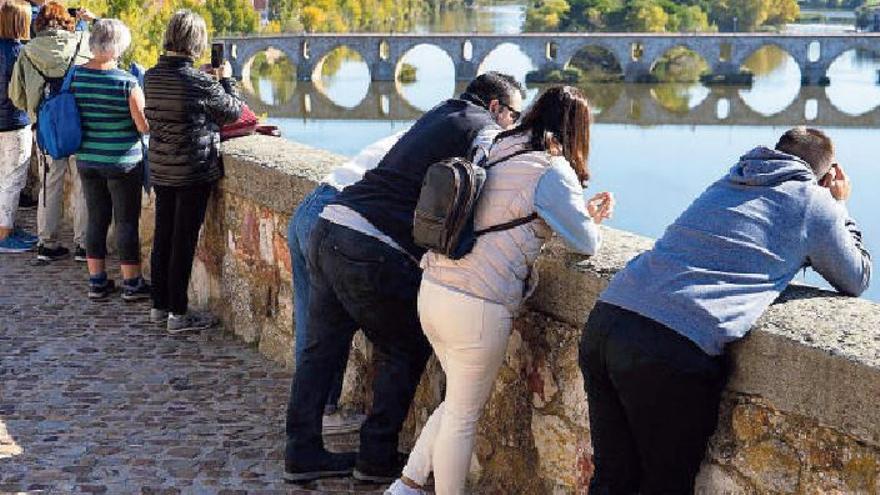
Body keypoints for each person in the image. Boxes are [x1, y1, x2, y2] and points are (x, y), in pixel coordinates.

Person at [579, 127, 872, 494]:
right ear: (827, 174)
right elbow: (856, 277)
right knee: (664, 485)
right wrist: (839, 205)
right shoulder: (816, 202)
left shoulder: (731, 179)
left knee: (611, 479)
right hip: (671, 345)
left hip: (608, 318)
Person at [284, 72, 525, 484]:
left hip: (330, 226)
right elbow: (488, 182)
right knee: (407, 345)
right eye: (514, 116)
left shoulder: (441, 113)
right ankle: (376, 456)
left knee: (320, 349)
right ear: (497, 107)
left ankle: (301, 452)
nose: (513, 127)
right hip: (370, 242)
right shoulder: (484, 128)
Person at [385, 86, 615, 495]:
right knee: (463, 415)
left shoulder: (497, 145)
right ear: (576, 130)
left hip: (436, 286)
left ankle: (406, 485)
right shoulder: (551, 168)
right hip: (477, 304)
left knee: (456, 401)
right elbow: (587, 243)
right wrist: (593, 220)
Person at [288, 130, 408, 436]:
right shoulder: (454, 143)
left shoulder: (416, 132)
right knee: (332, 325)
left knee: (310, 323)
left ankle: (307, 418)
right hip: (340, 217)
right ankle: (326, 413)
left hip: (310, 206)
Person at [144, 9, 242, 333]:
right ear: (196, 42)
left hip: (161, 166)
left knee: (163, 237)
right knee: (183, 241)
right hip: (193, 170)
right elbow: (232, 112)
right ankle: (178, 315)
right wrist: (226, 79)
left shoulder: (152, 75)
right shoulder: (200, 82)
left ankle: (159, 307)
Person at [70, 18, 149, 300]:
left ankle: (97, 281)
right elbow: (143, 126)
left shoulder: (76, 76)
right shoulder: (127, 82)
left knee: (96, 219)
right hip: (122, 162)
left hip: (87, 158)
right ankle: (132, 283)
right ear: (117, 47)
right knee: (126, 222)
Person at [9, 0, 89, 262]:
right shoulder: (80, 44)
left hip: (46, 126)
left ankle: (47, 243)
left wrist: (36, 110)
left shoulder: (28, 50)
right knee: (83, 183)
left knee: (49, 182)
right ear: (67, 21)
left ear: (38, 24)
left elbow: (15, 95)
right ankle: (84, 245)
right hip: (80, 124)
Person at [0, 0, 38, 253]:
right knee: (12, 180)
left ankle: (7, 227)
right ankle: (4, 235)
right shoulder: (20, 54)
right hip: (13, 123)